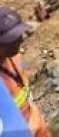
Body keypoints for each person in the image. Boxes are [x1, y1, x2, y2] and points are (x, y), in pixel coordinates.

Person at [0, 7, 51, 136]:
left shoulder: (14, 57)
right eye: (12, 39)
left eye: (19, 35)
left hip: (37, 126)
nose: (20, 40)